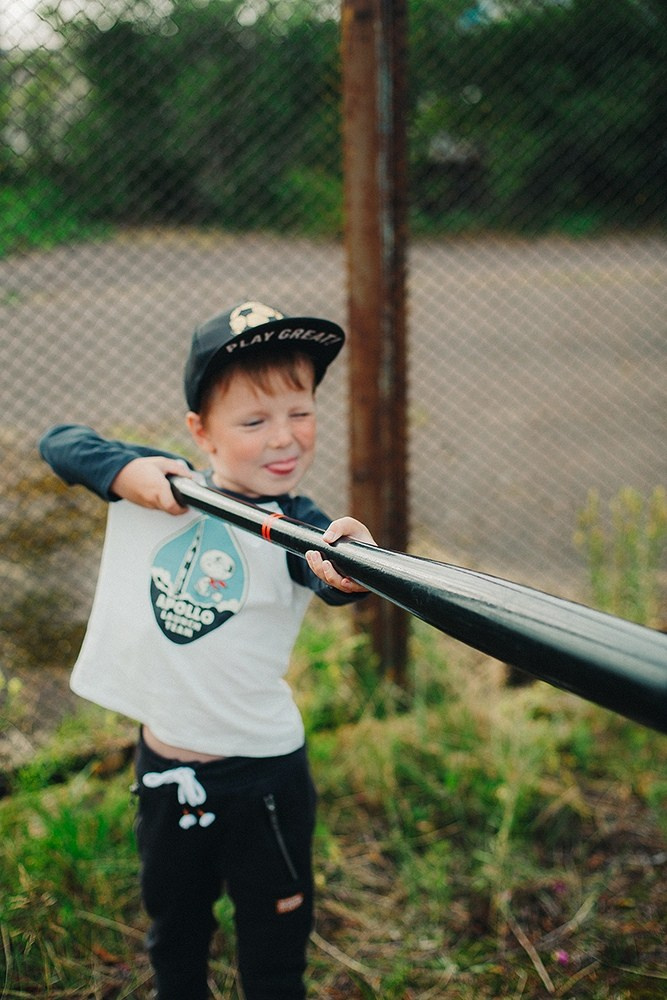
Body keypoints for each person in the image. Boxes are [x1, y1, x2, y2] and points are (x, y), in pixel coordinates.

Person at [39, 300, 375, 1000]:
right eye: (254, 421)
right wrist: (126, 471)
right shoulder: (167, 490)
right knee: (175, 934)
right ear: (202, 431)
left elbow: (334, 577)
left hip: (263, 781)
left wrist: (350, 566)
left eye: (300, 412)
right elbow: (60, 443)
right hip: (164, 771)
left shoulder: (294, 526)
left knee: (273, 950)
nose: (284, 438)